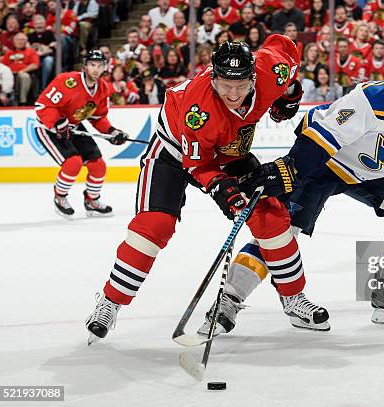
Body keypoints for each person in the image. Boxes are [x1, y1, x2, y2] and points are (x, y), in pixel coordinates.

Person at [199, 55, 384, 335]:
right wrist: (290, 168)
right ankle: (229, 299)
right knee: (280, 230)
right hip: (324, 161)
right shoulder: (370, 99)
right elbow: (323, 138)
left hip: (370, 174)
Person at [85, 37, 330, 345]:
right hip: (173, 154)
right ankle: (111, 301)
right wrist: (220, 188)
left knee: (271, 216)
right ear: (213, 77)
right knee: (153, 227)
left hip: (230, 152)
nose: (233, 94)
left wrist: (290, 93)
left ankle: (294, 299)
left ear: (255, 76)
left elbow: (286, 48)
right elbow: (198, 166)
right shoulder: (197, 109)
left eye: (240, 85)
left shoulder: (273, 70)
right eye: (225, 85)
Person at [34, 50, 129, 219]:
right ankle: (60, 197)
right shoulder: (67, 81)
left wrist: (112, 132)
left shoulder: (102, 88)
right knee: (73, 163)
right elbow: (42, 106)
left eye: (100, 66)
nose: (95, 69)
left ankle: (92, 201)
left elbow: (98, 118)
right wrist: (57, 122)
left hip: (74, 126)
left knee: (98, 165)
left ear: (105, 68)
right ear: (85, 66)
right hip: (49, 128)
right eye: (92, 64)